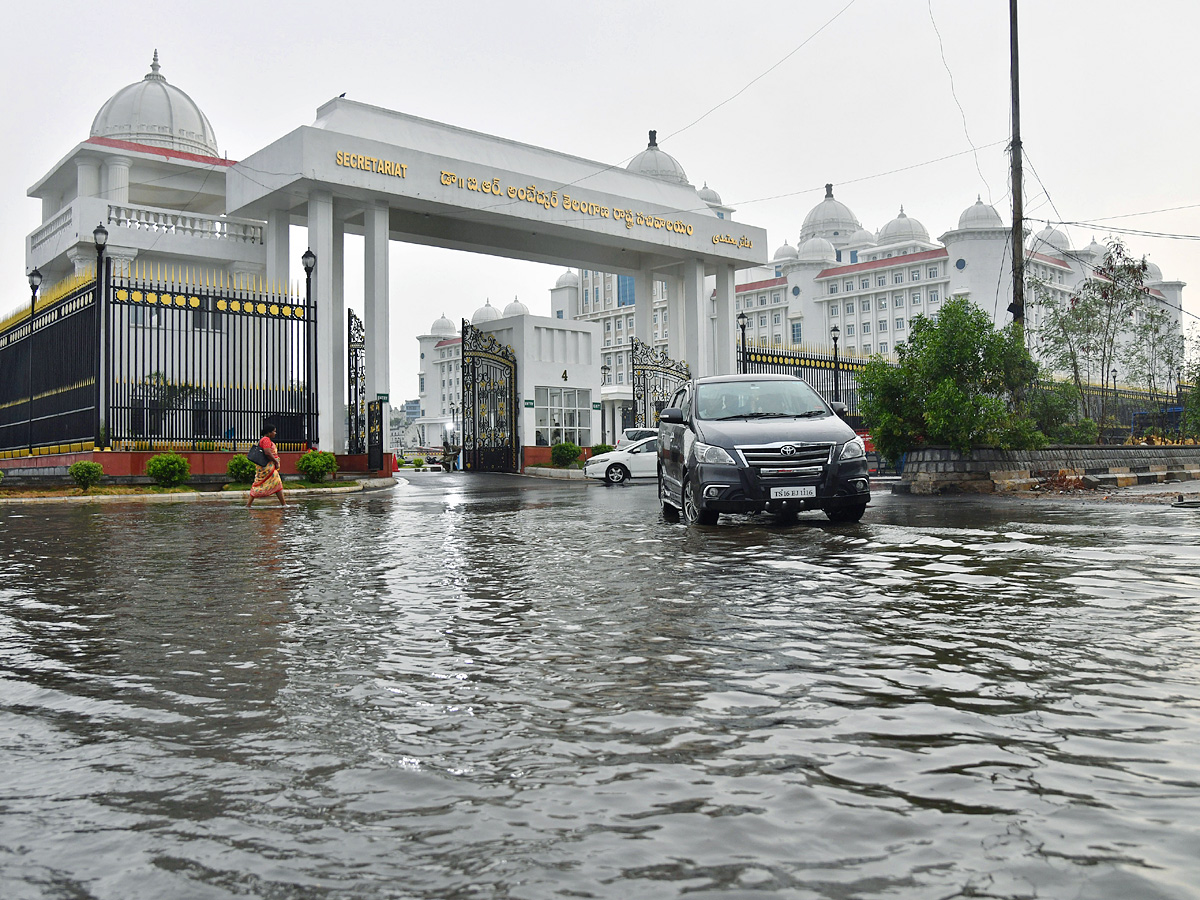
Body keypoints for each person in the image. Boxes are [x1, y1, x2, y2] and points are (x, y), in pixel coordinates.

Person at [247, 423, 286, 508]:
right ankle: (283, 504)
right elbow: (267, 452)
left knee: (277, 483)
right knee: (272, 483)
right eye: (274, 431)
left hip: (267, 467)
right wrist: (275, 461)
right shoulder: (266, 440)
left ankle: (284, 504)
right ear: (269, 432)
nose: (275, 433)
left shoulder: (265, 440)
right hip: (267, 468)